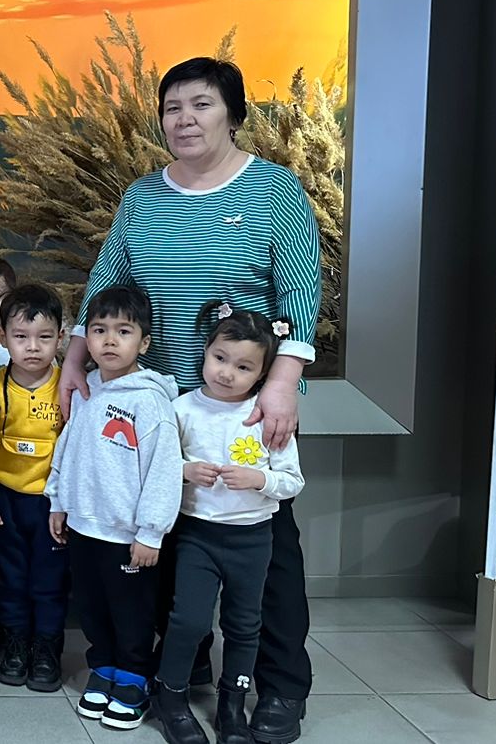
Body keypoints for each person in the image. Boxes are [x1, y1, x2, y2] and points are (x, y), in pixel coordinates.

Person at [59, 57, 322, 743]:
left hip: (243, 402)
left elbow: (300, 292)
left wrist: (282, 382)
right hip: (157, 403)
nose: (185, 119)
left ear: (233, 114)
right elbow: (106, 282)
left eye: (201, 104)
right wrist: (74, 359)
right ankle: (187, 668)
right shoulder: (142, 197)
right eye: (172, 107)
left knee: (265, 548)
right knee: (172, 540)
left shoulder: (274, 189)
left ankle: (281, 687)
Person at [151, 303, 305, 744]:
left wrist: (260, 479)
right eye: (220, 358)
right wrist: (185, 470)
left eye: (243, 367)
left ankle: (232, 705)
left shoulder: (265, 415)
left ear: (263, 373)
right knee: (189, 620)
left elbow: (292, 480)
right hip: (197, 536)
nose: (226, 373)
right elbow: (155, 466)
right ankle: (171, 698)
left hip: (253, 540)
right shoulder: (181, 409)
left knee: (243, 625)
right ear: (205, 351)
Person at [45, 286, 181, 731]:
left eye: (123, 331)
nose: (108, 340)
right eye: (99, 330)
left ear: (144, 342)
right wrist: (58, 501)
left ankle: (134, 678)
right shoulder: (87, 388)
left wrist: (151, 532)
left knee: (132, 611)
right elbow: (68, 449)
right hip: (84, 527)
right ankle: (103, 668)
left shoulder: (150, 400)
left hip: (128, 535)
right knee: (92, 606)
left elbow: (164, 471)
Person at [0, 283, 69, 692]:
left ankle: (47, 649)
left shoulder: (69, 387)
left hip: (51, 504)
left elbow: (75, 449)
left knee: (48, 580)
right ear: (3, 337)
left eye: (44, 337)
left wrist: (65, 502)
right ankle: (15, 645)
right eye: (21, 337)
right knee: (10, 577)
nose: (32, 347)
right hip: (4, 500)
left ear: (61, 337)